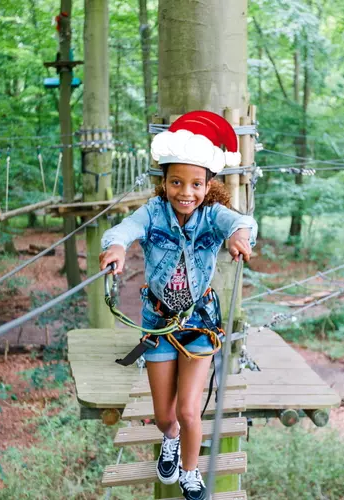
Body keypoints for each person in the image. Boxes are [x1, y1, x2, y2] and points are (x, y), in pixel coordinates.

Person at [99, 111, 257, 500]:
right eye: (176, 182)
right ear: (165, 182)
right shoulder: (153, 214)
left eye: (195, 184)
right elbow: (124, 229)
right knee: (167, 416)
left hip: (200, 322)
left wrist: (238, 235)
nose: (185, 192)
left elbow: (242, 223)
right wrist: (117, 246)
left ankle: (190, 471)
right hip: (158, 324)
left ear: (207, 185)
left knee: (189, 412)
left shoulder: (212, 216)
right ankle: (169, 438)